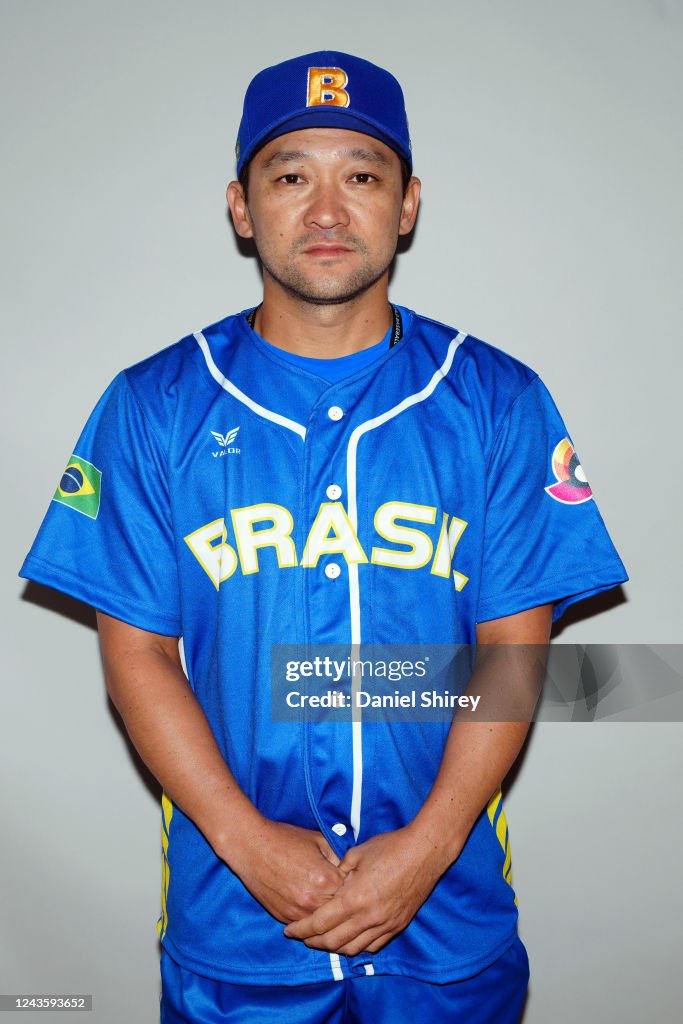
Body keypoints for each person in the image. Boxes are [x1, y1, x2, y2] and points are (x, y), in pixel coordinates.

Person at [20, 50, 628, 1023]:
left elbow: (515, 650)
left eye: (361, 174)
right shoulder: (152, 407)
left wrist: (423, 849)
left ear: (408, 203)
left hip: (444, 936)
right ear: (239, 205)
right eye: (290, 175)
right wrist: (249, 842)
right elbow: (136, 652)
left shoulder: (498, 402)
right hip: (239, 938)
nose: (327, 209)